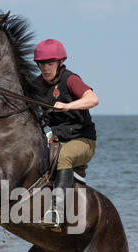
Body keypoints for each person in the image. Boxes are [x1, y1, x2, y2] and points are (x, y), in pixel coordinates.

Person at [34, 39, 99, 231]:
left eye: (50, 64)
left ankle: (57, 212)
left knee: (63, 156)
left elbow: (93, 99)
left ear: (60, 63)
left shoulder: (70, 80)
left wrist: (68, 105)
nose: (45, 68)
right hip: (54, 138)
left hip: (82, 141)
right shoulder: (36, 84)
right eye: (41, 64)